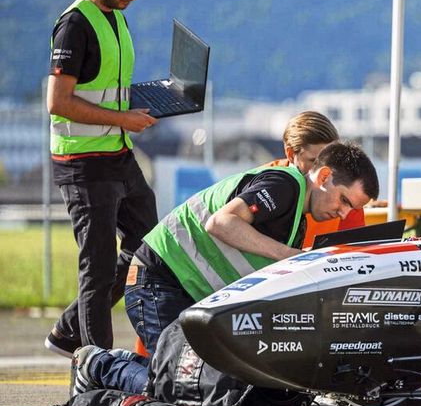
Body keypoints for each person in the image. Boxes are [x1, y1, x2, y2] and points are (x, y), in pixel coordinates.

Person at [125, 141, 380, 355]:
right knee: (180, 381)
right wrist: (294, 257)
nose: (344, 213)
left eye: (352, 208)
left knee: (201, 384)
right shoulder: (284, 186)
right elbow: (221, 223)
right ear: (324, 176)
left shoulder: (296, 220)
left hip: (184, 289)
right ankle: (97, 365)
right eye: (344, 200)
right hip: (158, 280)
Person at [45, 0, 158, 357]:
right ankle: (97, 367)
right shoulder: (75, 24)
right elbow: (59, 102)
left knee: (149, 243)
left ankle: (68, 329)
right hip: (83, 162)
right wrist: (122, 117)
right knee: (97, 267)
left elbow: (105, 87)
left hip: (117, 152)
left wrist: (147, 102)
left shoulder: (115, 15)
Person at [265, 111, 366, 247]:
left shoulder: (348, 193)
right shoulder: (265, 184)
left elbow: (357, 252)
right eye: (314, 161)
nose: (323, 171)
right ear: (290, 154)